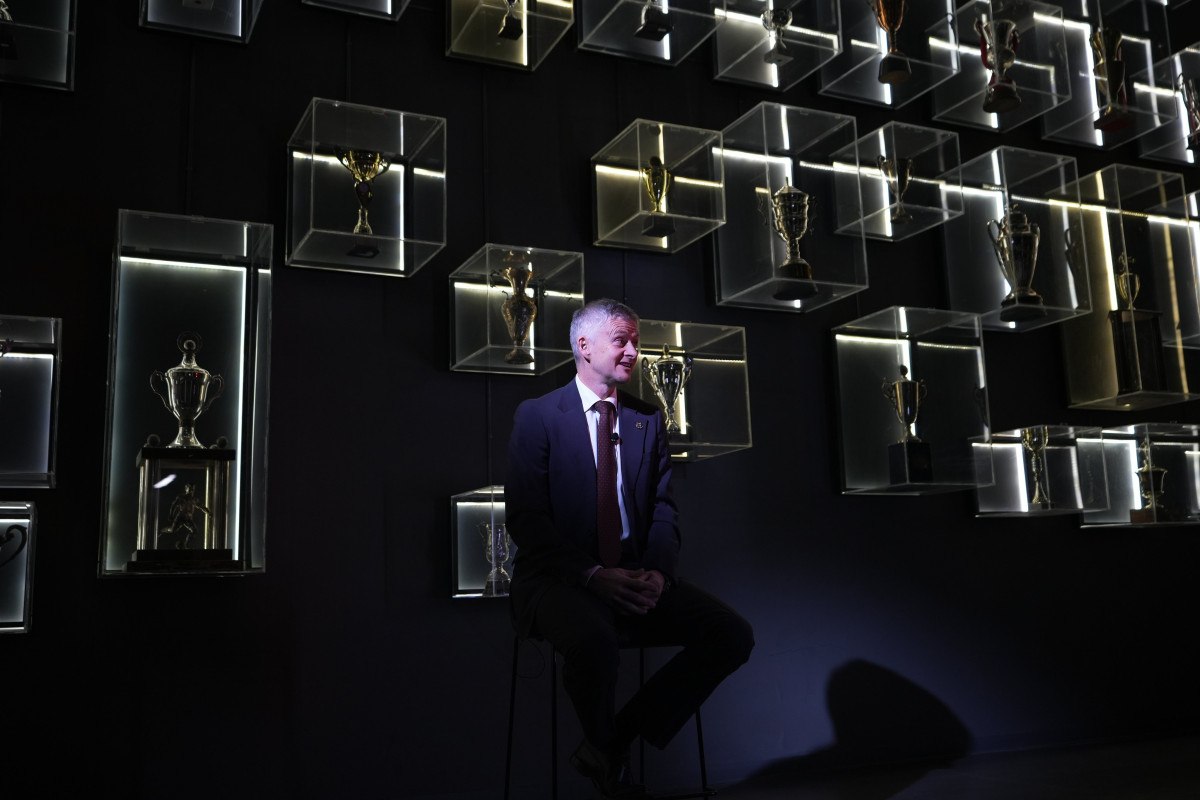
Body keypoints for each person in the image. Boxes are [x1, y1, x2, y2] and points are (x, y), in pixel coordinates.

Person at [505, 299, 754, 799]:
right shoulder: (538, 416)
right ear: (584, 345)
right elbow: (527, 520)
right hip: (559, 581)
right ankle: (611, 763)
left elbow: (663, 510)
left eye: (636, 341)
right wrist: (593, 576)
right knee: (594, 641)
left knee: (731, 634)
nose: (634, 352)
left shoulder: (647, 418)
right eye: (622, 340)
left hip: (636, 576)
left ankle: (609, 743)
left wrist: (658, 574)